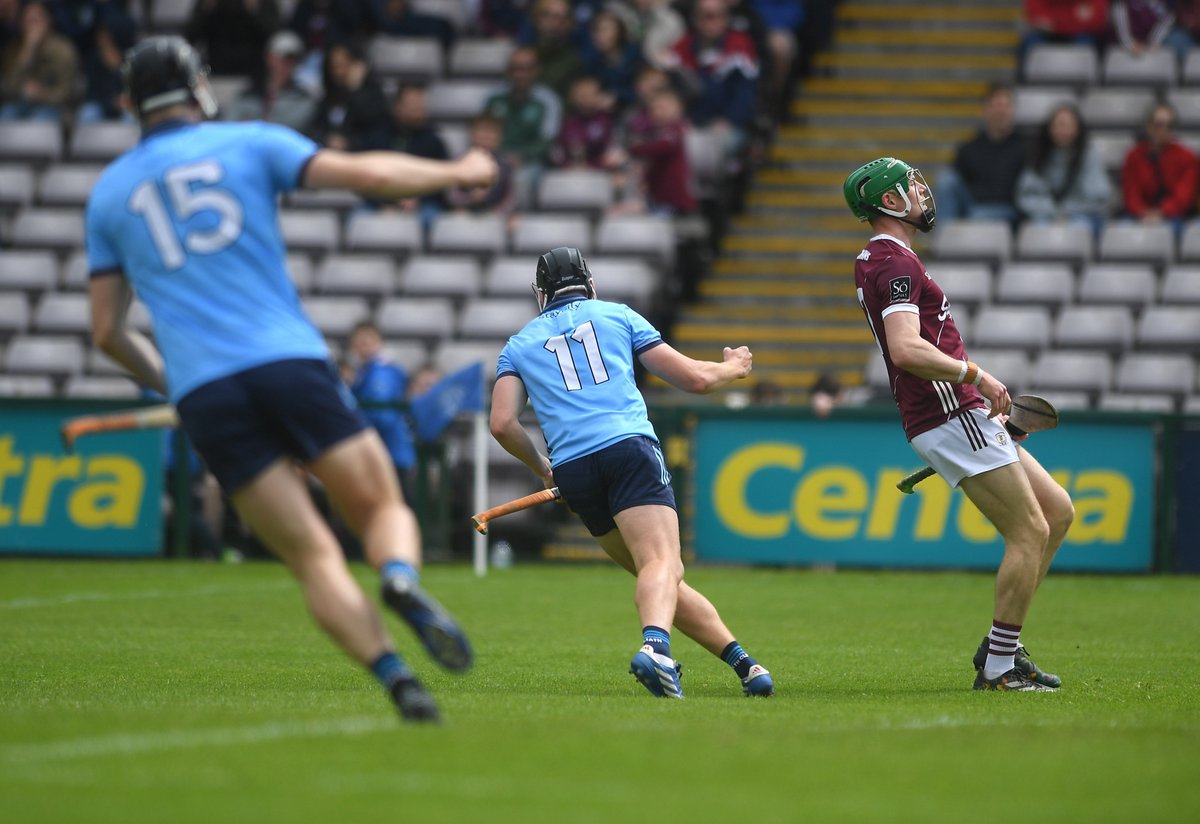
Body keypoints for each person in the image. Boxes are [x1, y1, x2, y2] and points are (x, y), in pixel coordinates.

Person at [85, 37, 497, 721]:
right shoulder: (249, 141)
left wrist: (170, 381)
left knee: (311, 555)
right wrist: (460, 167)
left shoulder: (108, 193)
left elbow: (106, 331)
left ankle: (398, 680)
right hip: (286, 360)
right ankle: (398, 577)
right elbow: (371, 177)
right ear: (199, 88)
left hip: (205, 391)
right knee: (381, 508)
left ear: (128, 102)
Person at [489, 247, 774, 700]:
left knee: (658, 575)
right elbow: (694, 379)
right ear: (590, 283)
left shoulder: (518, 345)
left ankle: (744, 664)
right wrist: (733, 369)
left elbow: (502, 424)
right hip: (627, 448)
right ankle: (656, 649)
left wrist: (543, 469)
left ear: (540, 294)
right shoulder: (617, 315)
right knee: (663, 565)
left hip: (574, 469)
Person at [843, 157, 1075, 692]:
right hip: (948, 411)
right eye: (911, 187)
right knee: (1029, 531)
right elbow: (905, 349)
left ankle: (1003, 645)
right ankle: (998, 668)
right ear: (889, 201)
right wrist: (976, 374)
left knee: (1057, 512)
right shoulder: (894, 264)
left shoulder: (883, 258)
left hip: (953, 411)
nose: (922, 192)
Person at [1015, 103, 1111, 236]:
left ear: (1078, 129)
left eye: (1069, 125)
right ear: (1050, 128)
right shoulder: (1037, 155)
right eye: (1059, 125)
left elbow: (1100, 198)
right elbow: (1025, 196)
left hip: (1081, 216)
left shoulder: (1090, 156)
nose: (1064, 131)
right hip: (1044, 215)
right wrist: (1054, 212)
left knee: (1079, 228)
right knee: (1035, 229)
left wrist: (1067, 211)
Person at [935, 83, 1025, 224]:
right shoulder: (969, 148)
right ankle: (943, 237)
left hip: (1009, 208)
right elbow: (955, 182)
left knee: (978, 216)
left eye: (1005, 106)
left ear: (1013, 110)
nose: (1000, 111)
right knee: (946, 180)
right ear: (985, 110)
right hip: (973, 204)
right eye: (996, 106)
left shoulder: (1026, 147)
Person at [348, 321, 418, 498]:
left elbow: (382, 415)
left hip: (388, 452)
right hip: (383, 452)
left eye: (368, 341)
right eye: (359, 342)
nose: (363, 346)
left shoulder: (382, 372)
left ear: (378, 342)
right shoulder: (365, 372)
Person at [1120, 102, 1197, 235]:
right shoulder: (1134, 156)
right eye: (1159, 125)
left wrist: (1162, 212)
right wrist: (1142, 212)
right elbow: (1131, 194)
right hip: (1139, 215)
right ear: (1149, 126)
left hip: (1175, 216)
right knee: (1121, 229)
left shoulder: (1187, 157)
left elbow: (1184, 197)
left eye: (1170, 126)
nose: (1164, 130)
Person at [222, 30, 318, 133]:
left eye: (293, 59)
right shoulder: (247, 96)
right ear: (269, 57)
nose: (287, 64)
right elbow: (228, 126)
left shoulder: (305, 102)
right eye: (282, 58)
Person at [0, 0, 78, 121]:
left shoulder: (63, 50)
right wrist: (27, 51)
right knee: (6, 114)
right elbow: (8, 89)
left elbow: (68, 92)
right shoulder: (13, 50)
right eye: (28, 21)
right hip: (20, 105)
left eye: (37, 20)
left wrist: (44, 95)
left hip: (54, 107)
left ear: (48, 21)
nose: (33, 27)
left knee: (40, 118)